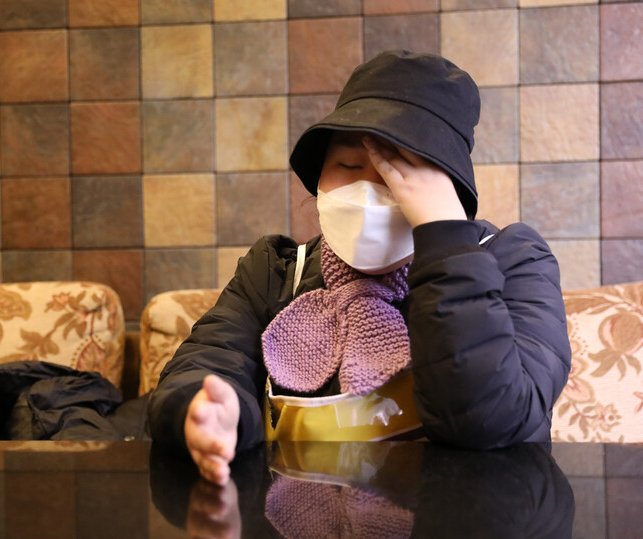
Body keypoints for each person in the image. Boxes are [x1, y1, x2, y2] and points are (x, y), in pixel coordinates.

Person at [148, 50, 572, 485]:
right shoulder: (275, 272)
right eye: (348, 166)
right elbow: (209, 362)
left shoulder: (514, 261)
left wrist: (445, 238)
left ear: (448, 188)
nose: (366, 191)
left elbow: (491, 421)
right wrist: (203, 412)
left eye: (398, 173)